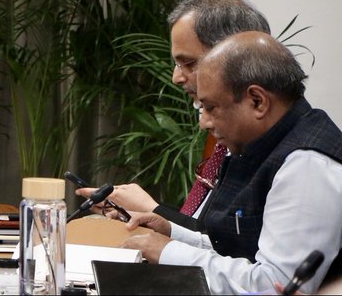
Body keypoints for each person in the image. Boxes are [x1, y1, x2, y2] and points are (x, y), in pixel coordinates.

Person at [121, 31, 342, 294]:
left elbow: (273, 286)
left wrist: (168, 252)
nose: (204, 122)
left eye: (211, 108)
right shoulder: (263, 144)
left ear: (257, 101)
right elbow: (239, 250)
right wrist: (171, 233)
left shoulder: (307, 166)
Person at [77, 0, 270, 226]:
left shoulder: (281, 156)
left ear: (236, 56)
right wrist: (149, 220)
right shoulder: (226, 141)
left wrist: (153, 210)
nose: (175, 78)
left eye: (188, 63)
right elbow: (208, 237)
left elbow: (231, 252)